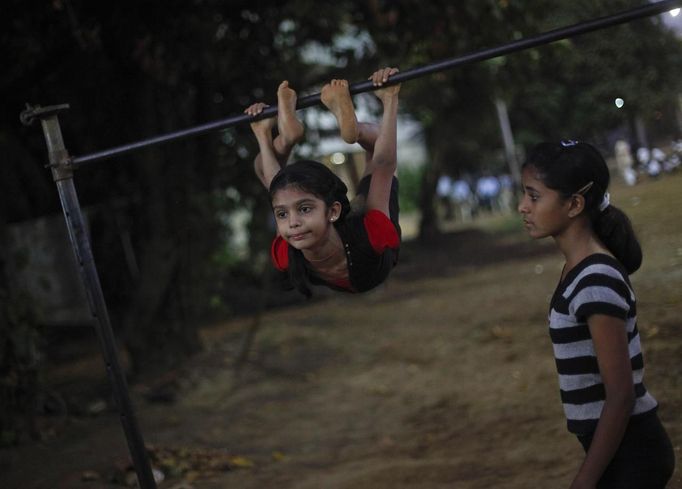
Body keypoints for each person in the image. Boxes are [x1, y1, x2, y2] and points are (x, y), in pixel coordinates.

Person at [517, 140, 675, 489]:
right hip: (618, 450)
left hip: (633, 454)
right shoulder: (577, 270)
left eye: (534, 196)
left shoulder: (595, 280)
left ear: (574, 204)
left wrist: (585, 480)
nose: (522, 207)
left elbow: (620, 394)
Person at [244, 67, 401, 297]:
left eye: (304, 209)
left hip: (357, 237)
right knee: (378, 149)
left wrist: (260, 132)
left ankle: (283, 139)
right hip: (368, 246)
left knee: (265, 171)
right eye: (282, 214)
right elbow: (384, 166)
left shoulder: (285, 254)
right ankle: (352, 132)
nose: (293, 223)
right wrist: (390, 98)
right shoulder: (374, 233)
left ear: (333, 211)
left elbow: (272, 181)